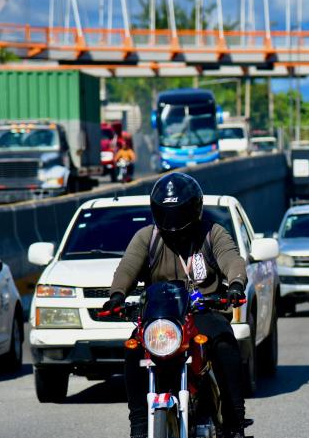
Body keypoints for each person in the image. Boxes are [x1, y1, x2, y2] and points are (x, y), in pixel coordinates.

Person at [101, 172, 249, 438]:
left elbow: (231, 259)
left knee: (225, 343)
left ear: (194, 208)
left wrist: (236, 285)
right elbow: (127, 268)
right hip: (162, 317)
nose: (173, 220)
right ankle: (138, 425)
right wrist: (117, 296)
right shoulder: (147, 237)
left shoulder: (212, 233)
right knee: (133, 350)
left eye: (179, 212)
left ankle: (234, 422)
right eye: (167, 213)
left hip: (204, 311)